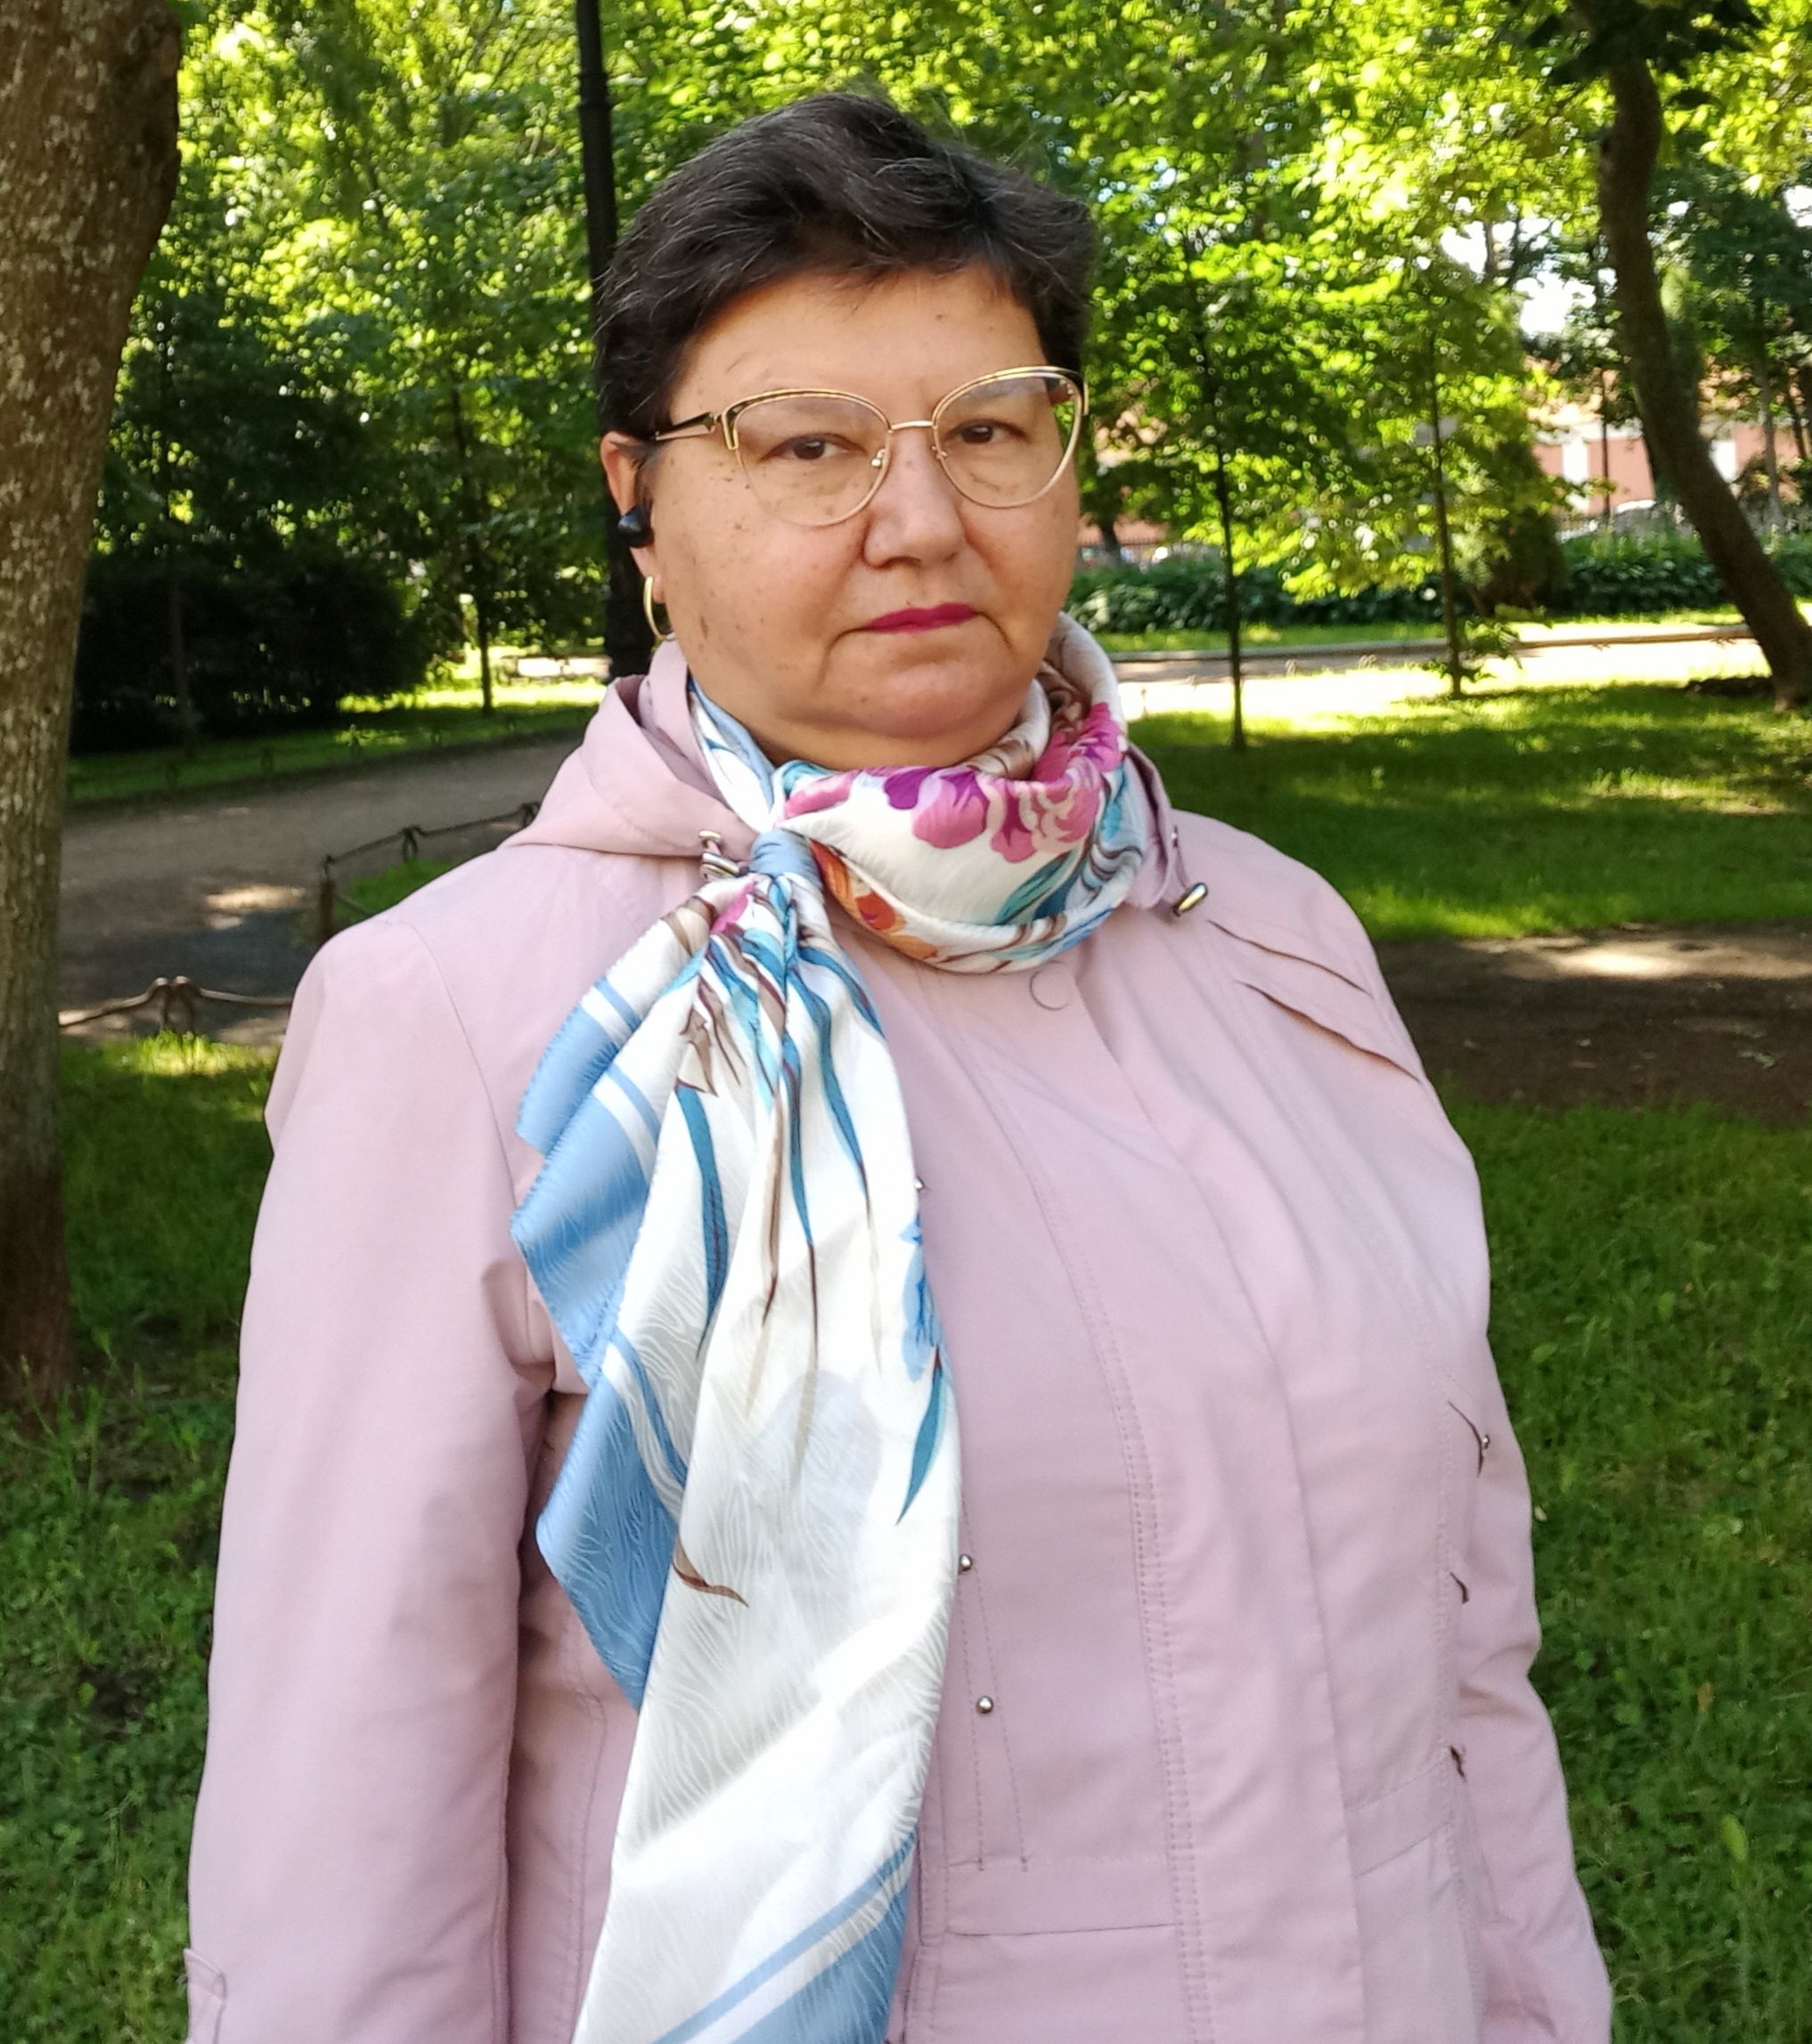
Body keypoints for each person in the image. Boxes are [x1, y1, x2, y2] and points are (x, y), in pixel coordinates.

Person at [184, 92, 1611, 2044]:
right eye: (806, 444)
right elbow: (344, 1813)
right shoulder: (460, 1015)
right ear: (641, 502)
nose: (922, 518)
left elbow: (1458, 1651)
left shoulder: (1270, 936)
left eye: (992, 429)